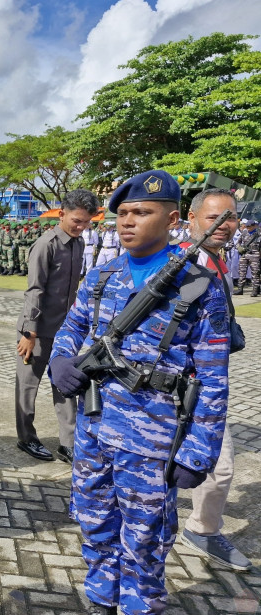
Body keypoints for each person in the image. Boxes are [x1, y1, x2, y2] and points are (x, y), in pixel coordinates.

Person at [50, 170, 230, 615]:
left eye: (141, 213)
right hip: (94, 428)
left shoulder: (198, 286)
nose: (127, 222)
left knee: (145, 536)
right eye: (123, 213)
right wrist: (59, 361)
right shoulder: (102, 275)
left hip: (152, 438)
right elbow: (71, 328)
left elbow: (213, 379)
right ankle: (100, 597)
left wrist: (198, 452)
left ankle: (139, 605)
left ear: (172, 219)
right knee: (94, 522)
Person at [178, 188, 251, 571]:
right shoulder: (187, 264)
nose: (224, 225)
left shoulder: (216, 260)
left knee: (214, 465)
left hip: (206, 381)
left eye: (231, 217)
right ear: (191, 219)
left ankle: (201, 528)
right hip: (182, 383)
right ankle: (200, 530)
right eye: (213, 218)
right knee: (217, 466)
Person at [15, 189, 99, 463]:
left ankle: (68, 444)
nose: (81, 226)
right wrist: (29, 332)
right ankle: (26, 438)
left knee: (65, 386)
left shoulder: (79, 244)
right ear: (61, 213)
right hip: (37, 332)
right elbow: (35, 290)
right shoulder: (46, 244)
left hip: (64, 332)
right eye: (77, 220)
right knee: (28, 387)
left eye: (86, 222)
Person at [234, 219, 260, 296]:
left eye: (249, 226)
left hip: (255, 255)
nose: (248, 228)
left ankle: (255, 290)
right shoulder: (244, 232)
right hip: (245, 254)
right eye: (247, 226)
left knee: (255, 273)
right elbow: (238, 242)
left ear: (254, 226)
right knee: (241, 272)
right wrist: (239, 248)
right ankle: (240, 289)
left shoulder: (258, 233)